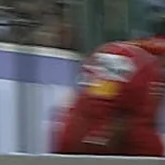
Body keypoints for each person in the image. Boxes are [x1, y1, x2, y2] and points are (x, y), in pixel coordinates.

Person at [54, 29, 164, 157]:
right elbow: (138, 129)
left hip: (73, 142)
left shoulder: (115, 52)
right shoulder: (141, 64)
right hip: (101, 150)